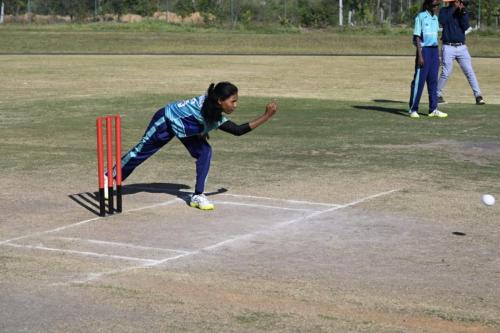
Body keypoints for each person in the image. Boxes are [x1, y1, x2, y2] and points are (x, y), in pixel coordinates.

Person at [106, 82, 278, 210]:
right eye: (233, 101)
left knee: (205, 152)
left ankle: (197, 195)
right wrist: (266, 115)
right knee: (141, 151)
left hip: (187, 129)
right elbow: (234, 129)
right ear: (220, 100)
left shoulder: (214, 111)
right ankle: (110, 177)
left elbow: (236, 130)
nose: (235, 105)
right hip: (167, 121)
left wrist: (266, 117)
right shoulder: (203, 108)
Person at [437, 0, 485, 105]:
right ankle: (436, 94)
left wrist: (462, 13)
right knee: (446, 72)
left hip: (462, 47)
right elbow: (442, 21)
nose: (459, 3)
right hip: (448, 46)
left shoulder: (462, 11)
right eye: (457, 1)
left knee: (469, 72)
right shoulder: (444, 11)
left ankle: (478, 96)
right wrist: (453, 9)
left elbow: (466, 26)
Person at [409, 0, 448, 119]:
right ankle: (413, 109)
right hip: (424, 51)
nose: (436, 7)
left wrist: (438, 56)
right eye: (434, 5)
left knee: (433, 81)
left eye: (438, 5)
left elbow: (435, 37)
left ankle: (433, 109)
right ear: (428, 5)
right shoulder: (421, 17)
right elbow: (416, 37)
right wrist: (420, 55)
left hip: (434, 51)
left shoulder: (435, 18)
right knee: (419, 82)